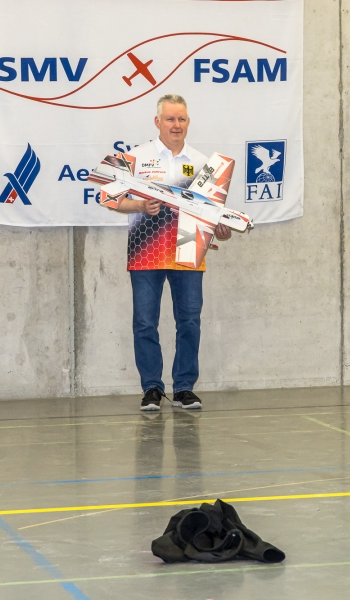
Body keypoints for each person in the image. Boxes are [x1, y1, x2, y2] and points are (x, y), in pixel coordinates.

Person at [110, 94, 231, 411]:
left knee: (189, 321)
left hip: (189, 249)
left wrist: (220, 227)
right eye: (170, 119)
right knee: (144, 323)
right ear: (157, 122)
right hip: (146, 250)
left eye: (181, 119)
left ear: (188, 122)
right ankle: (151, 388)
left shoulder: (204, 164)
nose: (176, 125)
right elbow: (108, 198)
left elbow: (212, 213)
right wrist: (140, 205)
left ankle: (184, 388)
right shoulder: (135, 157)